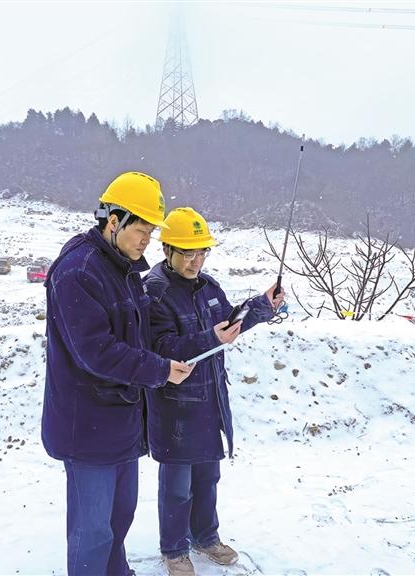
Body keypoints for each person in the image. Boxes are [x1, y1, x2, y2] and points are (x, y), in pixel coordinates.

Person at [41, 172, 194, 576]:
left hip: (122, 421)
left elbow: (138, 335)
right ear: (114, 221)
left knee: (119, 517)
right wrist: (159, 370)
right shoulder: (79, 271)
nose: (147, 240)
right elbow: (97, 352)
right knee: (92, 531)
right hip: (87, 425)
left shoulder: (122, 269)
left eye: (151, 231)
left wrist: (183, 346)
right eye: (141, 230)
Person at [142, 207, 285, 576]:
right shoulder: (155, 292)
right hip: (174, 409)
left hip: (210, 402)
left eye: (202, 252)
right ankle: (175, 549)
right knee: (177, 487)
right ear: (167, 249)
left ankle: (205, 536)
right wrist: (209, 338)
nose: (196, 261)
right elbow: (160, 347)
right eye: (188, 253)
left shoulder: (208, 287)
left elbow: (228, 324)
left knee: (207, 478)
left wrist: (262, 306)